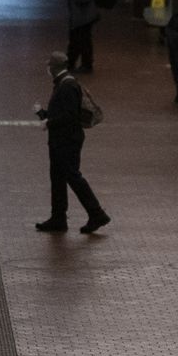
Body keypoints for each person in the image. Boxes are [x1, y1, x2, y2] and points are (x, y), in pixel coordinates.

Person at [34, 50, 110, 234]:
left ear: (53, 67)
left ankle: (97, 213)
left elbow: (69, 115)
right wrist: (43, 114)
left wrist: (49, 122)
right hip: (62, 140)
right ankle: (58, 217)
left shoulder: (67, 86)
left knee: (73, 177)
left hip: (66, 141)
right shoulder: (64, 82)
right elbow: (64, 112)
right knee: (58, 178)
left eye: (48, 65)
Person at [60, 0, 101, 73]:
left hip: (84, 15)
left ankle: (84, 64)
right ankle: (73, 63)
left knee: (81, 40)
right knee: (78, 39)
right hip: (81, 14)